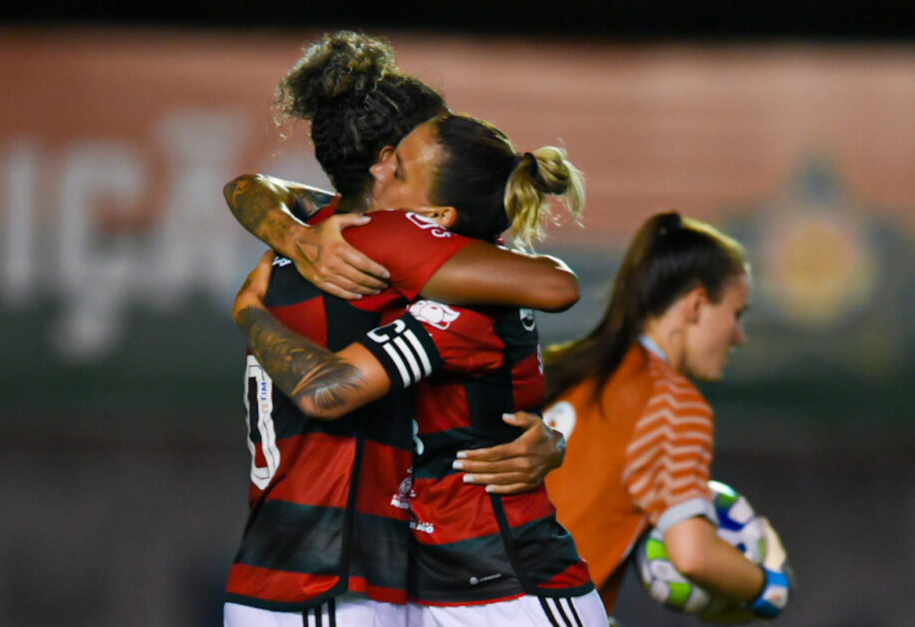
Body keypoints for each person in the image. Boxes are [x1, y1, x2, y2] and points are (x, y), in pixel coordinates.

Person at [222, 32, 601, 626]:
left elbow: (246, 185)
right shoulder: (401, 242)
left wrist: (257, 291)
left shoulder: (311, 230)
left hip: (324, 574)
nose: (454, 137)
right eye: (413, 149)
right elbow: (556, 285)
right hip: (330, 583)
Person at [521, 211, 791, 621]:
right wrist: (768, 586)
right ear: (697, 305)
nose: (740, 335)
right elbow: (694, 554)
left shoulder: (574, 372)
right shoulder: (672, 403)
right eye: (737, 314)